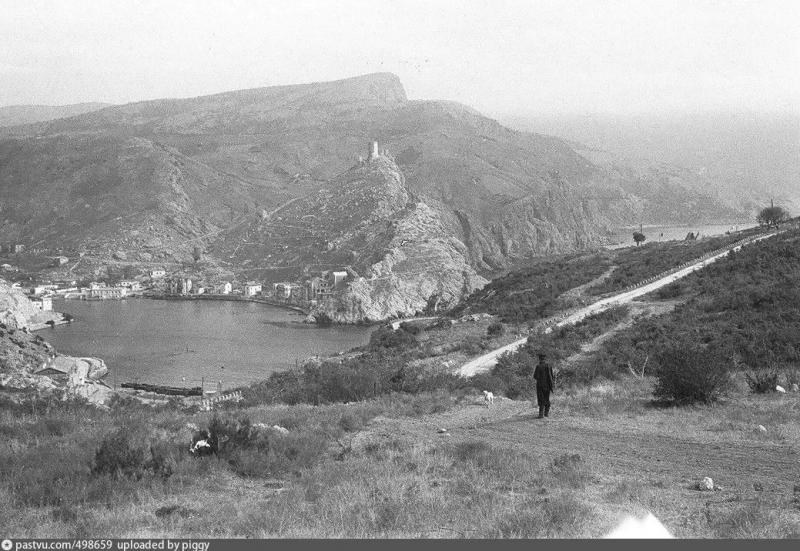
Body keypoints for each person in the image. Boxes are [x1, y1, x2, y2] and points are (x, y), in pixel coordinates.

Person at [533, 351, 555, 418]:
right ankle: (546, 413)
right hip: (548, 386)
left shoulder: (538, 366)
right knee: (547, 398)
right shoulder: (549, 366)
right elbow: (552, 376)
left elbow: (535, 376)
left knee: (541, 399)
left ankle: (541, 414)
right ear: (545, 358)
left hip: (540, 386)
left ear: (539, 359)